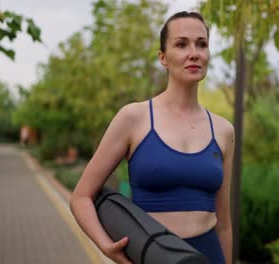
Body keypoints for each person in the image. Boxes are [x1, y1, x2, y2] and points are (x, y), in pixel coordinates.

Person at [70, 11, 234, 264]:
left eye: (201, 44)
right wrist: (105, 246)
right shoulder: (134, 118)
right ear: (163, 58)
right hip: (151, 256)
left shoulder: (223, 130)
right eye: (181, 44)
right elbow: (81, 197)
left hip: (208, 256)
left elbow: (223, 223)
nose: (194, 53)